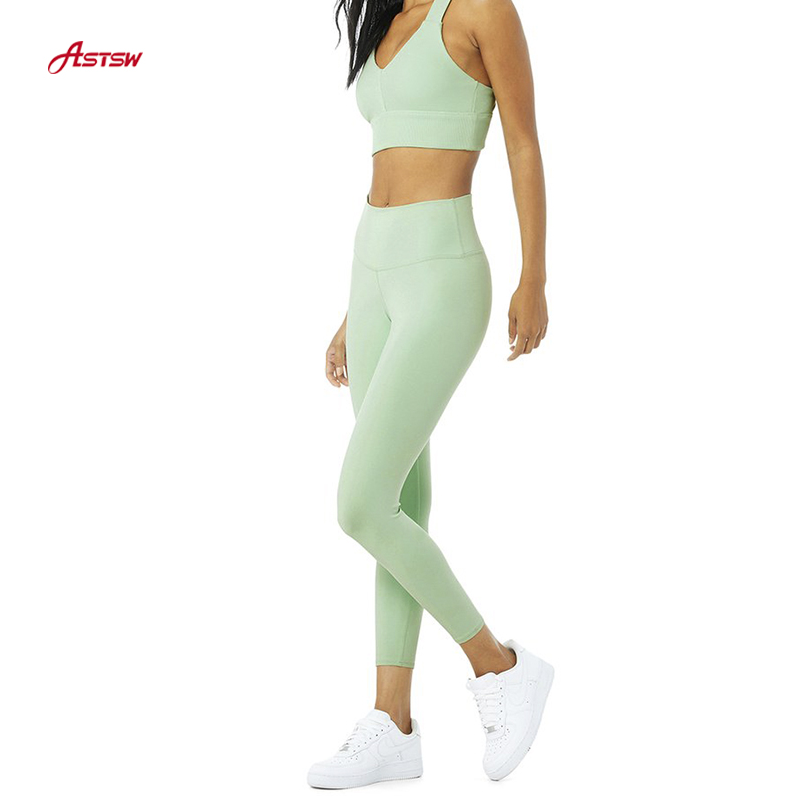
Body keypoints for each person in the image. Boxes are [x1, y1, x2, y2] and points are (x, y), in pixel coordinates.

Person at [308, 0, 552, 788]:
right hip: (371, 267)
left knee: (360, 504)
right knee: (395, 515)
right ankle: (393, 724)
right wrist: (353, 313)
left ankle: (500, 664)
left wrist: (534, 277)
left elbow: (522, 142)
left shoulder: (482, 9)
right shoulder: (384, 18)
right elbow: (388, 163)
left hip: (443, 271)